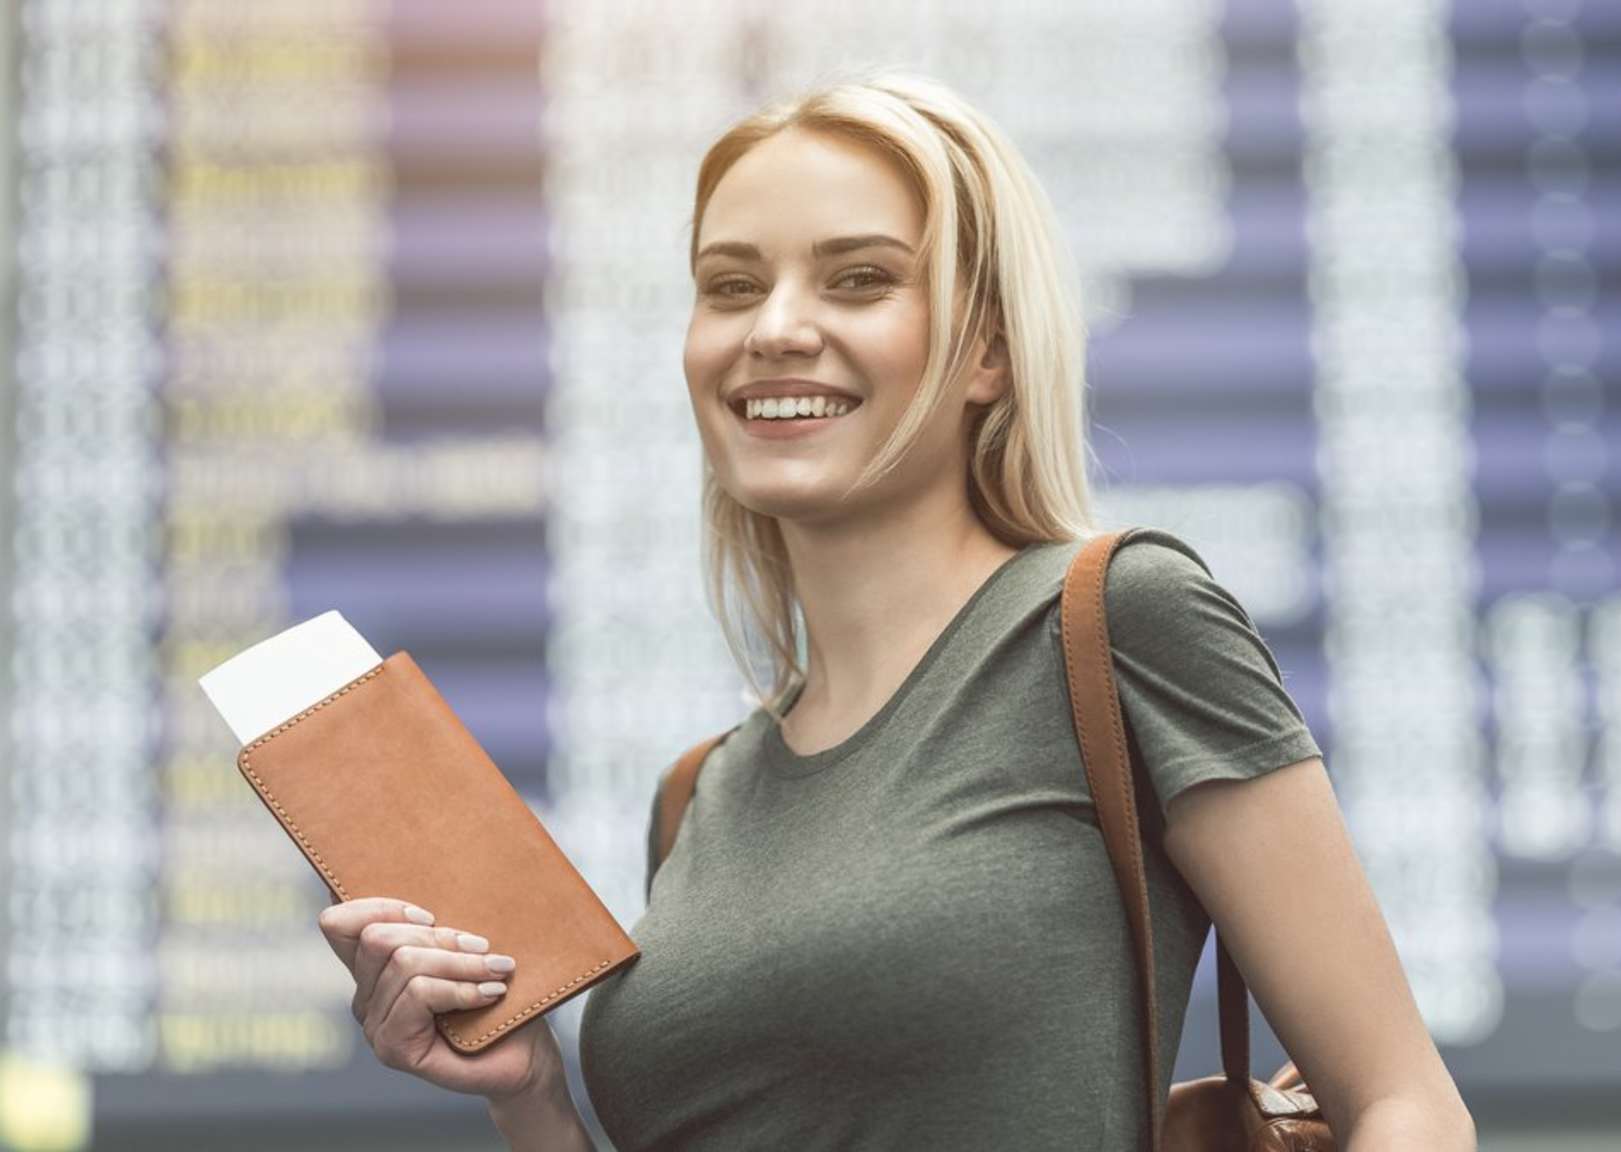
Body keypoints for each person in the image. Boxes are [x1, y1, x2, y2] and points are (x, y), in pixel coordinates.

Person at [316, 70, 1475, 1151]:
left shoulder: (1117, 620)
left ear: (989, 350)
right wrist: (531, 1099)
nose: (772, 326)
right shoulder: (696, 799)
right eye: (730, 286)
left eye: (858, 277)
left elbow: (1401, 1103)